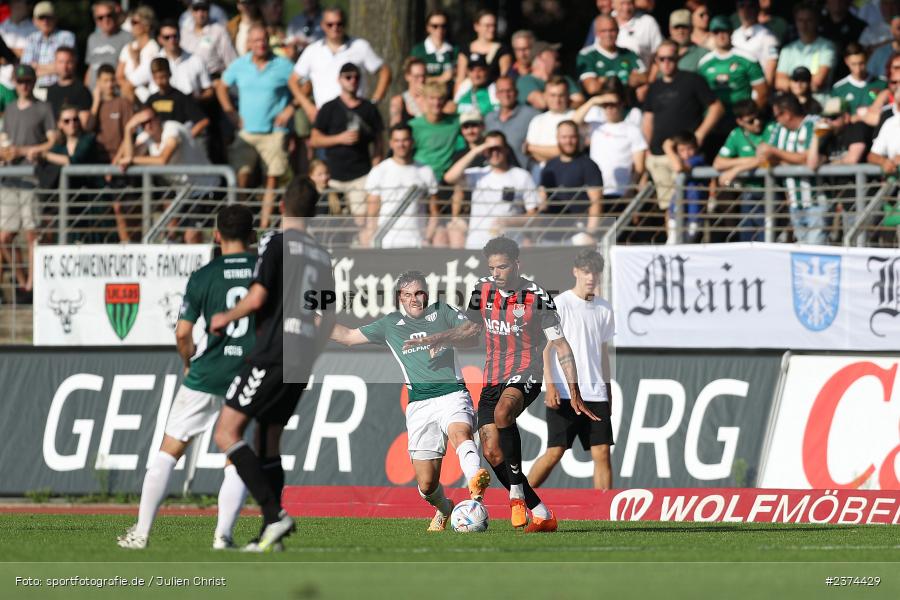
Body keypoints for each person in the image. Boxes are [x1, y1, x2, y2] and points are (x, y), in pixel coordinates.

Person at [403, 236, 598, 532]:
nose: (496, 273)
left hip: (526, 371)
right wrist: (438, 337)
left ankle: (516, 496)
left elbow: (561, 345)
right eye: (492, 267)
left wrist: (575, 391)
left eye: (503, 266)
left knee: (504, 413)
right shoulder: (482, 289)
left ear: (517, 264)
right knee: (492, 452)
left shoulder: (537, 296)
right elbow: (470, 328)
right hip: (492, 374)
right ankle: (542, 514)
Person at [116, 204, 256, 550]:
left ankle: (142, 533)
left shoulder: (204, 275)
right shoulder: (264, 272)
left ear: (217, 235)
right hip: (247, 375)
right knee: (235, 455)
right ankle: (223, 536)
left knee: (169, 451)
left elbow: (182, 333)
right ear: (253, 236)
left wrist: (188, 361)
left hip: (206, 373)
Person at [210, 176, 336, 553]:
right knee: (268, 440)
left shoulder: (277, 242)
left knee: (226, 433)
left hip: (271, 351)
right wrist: (312, 352)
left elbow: (258, 296)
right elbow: (327, 316)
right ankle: (271, 533)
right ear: (314, 212)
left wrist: (224, 317)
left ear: (281, 206)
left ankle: (274, 513)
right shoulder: (322, 254)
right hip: (302, 356)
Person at [330, 270, 491, 530]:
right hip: (419, 404)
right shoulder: (389, 324)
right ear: (399, 298)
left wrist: (441, 336)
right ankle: (444, 508)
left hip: (452, 392)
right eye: (408, 295)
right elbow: (347, 336)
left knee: (461, 433)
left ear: (426, 294)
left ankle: (475, 482)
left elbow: (472, 335)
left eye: (419, 293)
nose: (414, 299)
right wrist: (306, 318)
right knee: (427, 484)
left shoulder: (442, 311)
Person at [528, 249, 614, 490]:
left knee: (602, 453)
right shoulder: (561, 304)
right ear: (576, 272)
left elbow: (603, 353)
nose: (591, 278)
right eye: (586, 272)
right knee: (554, 452)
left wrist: (608, 391)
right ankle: (521, 499)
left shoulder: (605, 309)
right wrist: (550, 385)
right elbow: (546, 349)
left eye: (595, 273)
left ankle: (605, 516)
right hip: (565, 394)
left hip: (595, 392)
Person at [218, 25, 294, 229]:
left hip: (274, 132)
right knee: (240, 177)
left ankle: (263, 226)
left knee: (272, 179)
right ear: (249, 44)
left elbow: (303, 84)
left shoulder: (283, 65)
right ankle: (241, 225)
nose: (260, 44)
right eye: (256, 40)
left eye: (263, 39)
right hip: (246, 132)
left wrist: (290, 108)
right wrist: (230, 112)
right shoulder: (239, 65)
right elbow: (221, 87)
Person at [116, 105, 218, 242]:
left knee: (192, 236)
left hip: (205, 189)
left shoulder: (172, 129)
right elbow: (128, 161)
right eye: (143, 123)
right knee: (172, 233)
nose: (148, 125)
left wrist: (132, 159)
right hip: (182, 191)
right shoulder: (145, 137)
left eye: (150, 120)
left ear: (158, 119)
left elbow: (163, 159)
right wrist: (128, 129)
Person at [643, 40, 723, 209]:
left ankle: (696, 235)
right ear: (656, 61)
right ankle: (672, 236)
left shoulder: (693, 80)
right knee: (668, 206)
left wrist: (700, 134)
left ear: (678, 58)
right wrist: (648, 148)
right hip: (659, 154)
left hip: (686, 154)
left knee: (693, 203)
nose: (666, 63)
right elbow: (648, 119)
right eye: (661, 58)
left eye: (670, 58)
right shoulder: (654, 87)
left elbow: (717, 107)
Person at [0, 64, 56, 301]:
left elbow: (52, 140)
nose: (24, 85)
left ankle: (33, 284)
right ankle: (23, 282)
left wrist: (26, 150)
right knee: (5, 237)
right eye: (21, 82)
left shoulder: (43, 108)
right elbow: (6, 140)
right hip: (9, 178)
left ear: (33, 82)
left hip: (31, 179)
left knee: (33, 234)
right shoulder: (10, 109)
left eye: (28, 81)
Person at [310, 62, 385, 228]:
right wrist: (339, 139)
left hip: (361, 175)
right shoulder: (329, 108)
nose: (352, 81)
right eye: (348, 77)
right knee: (331, 220)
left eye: (356, 77)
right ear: (339, 79)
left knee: (362, 221)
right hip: (332, 176)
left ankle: (358, 252)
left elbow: (379, 140)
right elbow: (314, 139)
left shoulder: (369, 109)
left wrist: (376, 166)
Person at [444, 131, 538, 249]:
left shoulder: (522, 175)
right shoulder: (478, 174)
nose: (494, 153)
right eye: (490, 149)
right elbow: (450, 177)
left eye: (498, 148)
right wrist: (475, 151)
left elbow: (534, 215)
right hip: (477, 246)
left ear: (506, 149)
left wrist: (510, 222)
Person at [290, 7, 391, 111]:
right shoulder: (312, 50)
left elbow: (385, 71)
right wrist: (308, 107)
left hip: (355, 115)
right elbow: (293, 81)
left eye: (339, 24)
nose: (335, 28)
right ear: (322, 25)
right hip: (325, 117)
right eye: (330, 24)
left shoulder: (360, 46)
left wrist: (374, 103)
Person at [757, 93, 823, 244]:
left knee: (816, 250)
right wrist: (784, 157)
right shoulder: (779, 129)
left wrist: (777, 153)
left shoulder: (813, 124)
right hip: (794, 203)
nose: (776, 120)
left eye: (777, 116)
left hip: (815, 202)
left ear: (786, 114)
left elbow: (806, 158)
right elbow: (765, 155)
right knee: (802, 251)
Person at [360, 123, 438, 248]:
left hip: (417, 243)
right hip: (386, 243)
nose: (401, 145)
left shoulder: (426, 171)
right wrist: (372, 241)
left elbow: (434, 212)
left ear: (412, 142)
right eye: (397, 141)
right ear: (391, 143)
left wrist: (427, 238)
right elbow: (372, 213)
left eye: (405, 140)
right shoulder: (379, 171)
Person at [712, 99, 775, 241]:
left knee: (768, 237)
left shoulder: (772, 129)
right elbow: (718, 163)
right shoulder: (736, 134)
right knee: (747, 238)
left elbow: (766, 159)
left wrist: (735, 170)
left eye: (758, 117)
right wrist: (747, 161)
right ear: (740, 121)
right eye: (751, 121)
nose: (757, 122)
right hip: (749, 193)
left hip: (771, 192)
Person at [574, 82, 647, 202]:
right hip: (594, 192)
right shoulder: (595, 126)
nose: (609, 108)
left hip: (620, 192)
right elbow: (573, 123)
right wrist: (593, 101)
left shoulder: (632, 130)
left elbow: (639, 168)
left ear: (622, 104)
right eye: (605, 105)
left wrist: (630, 190)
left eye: (613, 104)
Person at [537, 120, 604, 242]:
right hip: (552, 233)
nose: (568, 141)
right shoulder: (549, 166)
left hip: (580, 232)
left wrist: (591, 233)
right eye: (564, 137)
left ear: (578, 138)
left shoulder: (589, 165)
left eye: (572, 137)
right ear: (557, 138)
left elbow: (596, 203)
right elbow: (543, 201)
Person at [129, 20, 213, 101]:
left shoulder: (196, 60)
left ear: (180, 36)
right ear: (160, 39)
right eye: (167, 37)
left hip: (189, 110)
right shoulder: (152, 62)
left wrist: (197, 100)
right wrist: (145, 108)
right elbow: (128, 85)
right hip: (161, 111)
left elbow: (209, 90)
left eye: (174, 36)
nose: (171, 40)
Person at [408, 81, 464, 185]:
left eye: (440, 98)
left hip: (446, 178)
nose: (436, 103)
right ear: (424, 99)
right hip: (420, 177)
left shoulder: (455, 122)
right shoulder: (413, 126)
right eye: (432, 98)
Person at [577, 16, 647, 98]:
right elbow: (592, 88)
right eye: (603, 31)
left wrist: (601, 79)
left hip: (627, 104)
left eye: (612, 30)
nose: (608, 34)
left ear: (618, 31)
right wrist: (625, 77)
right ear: (596, 33)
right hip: (599, 106)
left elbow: (645, 77)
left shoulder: (628, 53)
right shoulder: (587, 55)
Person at [775, 5, 836, 94]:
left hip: (818, 103)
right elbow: (779, 82)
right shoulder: (787, 50)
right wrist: (802, 86)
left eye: (809, 20)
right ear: (795, 22)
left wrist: (792, 84)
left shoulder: (827, 47)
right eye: (800, 20)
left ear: (816, 21)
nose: (804, 24)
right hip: (792, 104)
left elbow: (818, 82)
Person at [662, 131, 708, 242]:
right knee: (673, 241)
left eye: (689, 149)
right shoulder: (678, 159)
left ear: (696, 148)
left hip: (694, 213)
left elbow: (679, 167)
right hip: (677, 209)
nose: (686, 154)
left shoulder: (698, 159)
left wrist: (667, 148)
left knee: (687, 243)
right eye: (681, 150)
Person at [485, 76, 539, 171]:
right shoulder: (489, 118)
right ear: (496, 95)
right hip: (496, 174)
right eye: (501, 91)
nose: (506, 95)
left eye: (509, 90)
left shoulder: (532, 115)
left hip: (524, 175)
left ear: (516, 92)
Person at [146, 58, 209, 138]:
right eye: (156, 78)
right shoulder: (151, 100)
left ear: (170, 74)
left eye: (163, 77)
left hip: (177, 141)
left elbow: (203, 121)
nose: (160, 81)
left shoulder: (181, 97)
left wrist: (186, 139)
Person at [525, 76, 574, 176]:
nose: (557, 100)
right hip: (539, 175)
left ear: (568, 96)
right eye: (553, 95)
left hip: (568, 175)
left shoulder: (575, 117)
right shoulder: (537, 120)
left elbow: (565, 152)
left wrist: (532, 147)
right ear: (545, 96)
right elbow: (533, 155)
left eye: (561, 95)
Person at [86, 63, 134, 163]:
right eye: (105, 81)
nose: (109, 84)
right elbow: (88, 128)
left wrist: (117, 160)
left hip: (119, 160)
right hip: (98, 159)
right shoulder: (94, 103)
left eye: (112, 80)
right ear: (98, 82)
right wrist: (96, 102)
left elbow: (129, 134)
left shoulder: (123, 103)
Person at [22, 1, 75, 88]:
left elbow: (65, 68)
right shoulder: (31, 39)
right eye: (41, 17)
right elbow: (26, 70)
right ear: (34, 21)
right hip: (36, 89)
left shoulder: (67, 37)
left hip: (60, 87)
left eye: (48, 17)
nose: (45, 21)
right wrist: (54, 67)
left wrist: (37, 67)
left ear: (55, 18)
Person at [516, 41, 584, 110]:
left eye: (562, 95)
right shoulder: (525, 81)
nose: (557, 54)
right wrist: (564, 97)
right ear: (540, 56)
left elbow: (580, 101)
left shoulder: (565, 79)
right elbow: (541, 103)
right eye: (552, 52)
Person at [455, 10, 511, 91]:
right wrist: (456, 100)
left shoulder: (503, 50)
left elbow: (504, 78)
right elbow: (460, 79)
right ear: (476, 26)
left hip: (492, 95)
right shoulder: (465, 49)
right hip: (469, 95)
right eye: (487, 26)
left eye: (494, 25)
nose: (492, 29)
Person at [180, 0, 237, 79]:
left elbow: (231, 60)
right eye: (196, 9)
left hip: (213, 79)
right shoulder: (184, 32)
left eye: (204, 9)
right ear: (191, 11)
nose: (200, 14)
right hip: (190, 80)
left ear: (209, 10)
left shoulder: (218, 30)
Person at [831, 42, 887, 119]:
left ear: (867, 59)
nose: (858, 69)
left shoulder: (882, 84)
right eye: (853, 64)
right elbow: (835, 118)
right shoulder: (839, 88)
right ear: (846, 61)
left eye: (861, 63)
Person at [731, 0, 779, 86]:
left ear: (757, 9)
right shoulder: (734, 36)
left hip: (757, 89)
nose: (746, 10)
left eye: (750, 6)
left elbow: (770, 73)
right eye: (742, 6)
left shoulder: (768, 37)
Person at [85, 0, 132, 88]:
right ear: (96, 21)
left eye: (109, 15)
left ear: (115, 16)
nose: (105, 20)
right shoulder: (92, 38)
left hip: (114, 93)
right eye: (100, 17)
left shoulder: (127, 38)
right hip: (93, 93)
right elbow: (90, 68)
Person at [117, 5, 159, 103]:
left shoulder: (153, 48)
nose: (131, 26)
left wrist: (136, 61)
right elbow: (119, 76)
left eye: (134, 22)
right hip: (128, 97)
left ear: (146, 25)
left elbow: (147, 78)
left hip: (147, 99)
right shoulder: (127, 47)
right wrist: (128, 89)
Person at [44, 47, 90, 126]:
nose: (64, 67)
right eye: (61, 62)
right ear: (55, 63)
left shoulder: (82, 90)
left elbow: (84, 123)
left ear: (74, 63)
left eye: (68, 62)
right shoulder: (50, 90)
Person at [410, 9, 457, 85]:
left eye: (443, 26)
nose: (439, 29)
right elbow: (413, 79)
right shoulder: (418, 51)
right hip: (425, 94)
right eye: (435, 26)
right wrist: (440, 79)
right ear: (428, 27)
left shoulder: (455, 49)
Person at [611, 0, 663, 68]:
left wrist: (650, 77)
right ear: (613, 4)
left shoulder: (648, 22)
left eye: (629, 3)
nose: (626, 8)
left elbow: (660, 54)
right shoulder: (604, 22)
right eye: (622, 3)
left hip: (641, 75)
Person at [453, 53, 498, 117]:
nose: (476, 75)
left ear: (487, 71)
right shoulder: (464, 88)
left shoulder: (494, 90)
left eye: (480, 70)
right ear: (467, 72)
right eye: (472, 70)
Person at [389, 57, 428, 126]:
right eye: (416, 76)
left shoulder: (433, 99)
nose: (421, 80)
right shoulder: (398, 101)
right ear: (407, 77)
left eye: (423, 76)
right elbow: (395, 127)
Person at [668, 9, 708, 74]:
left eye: (684, 27)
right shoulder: (662, 55)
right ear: (670, 29)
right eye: (676, 27)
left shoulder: (703, 54)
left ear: (692, 28)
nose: (680, 31)